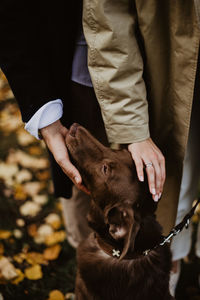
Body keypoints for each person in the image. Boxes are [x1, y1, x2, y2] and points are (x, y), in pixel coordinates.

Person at [1, 0, 200, 296]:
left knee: (173, 178)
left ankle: (163, 277)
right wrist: (45, 111)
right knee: (88, 198)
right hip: (85, 63)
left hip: (171, 67)